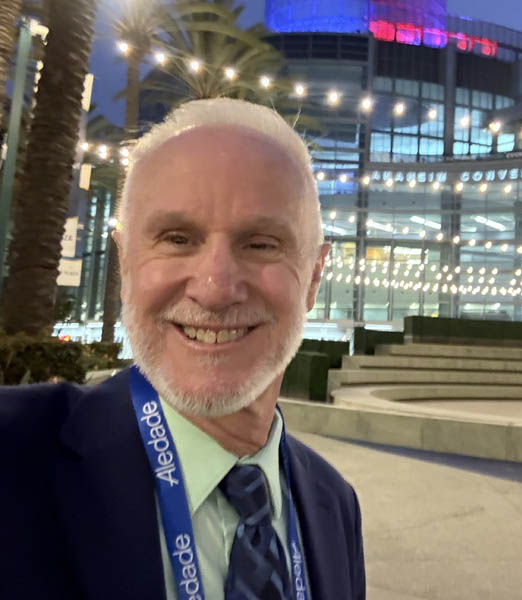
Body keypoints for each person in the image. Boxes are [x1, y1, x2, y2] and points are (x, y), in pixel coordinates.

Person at [0, 98, 365, 600]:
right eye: (177, 238)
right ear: (125, 263)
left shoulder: (333, 504)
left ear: (315, 277)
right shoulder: (12, 456)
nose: (215, 288)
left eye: (260, 244)